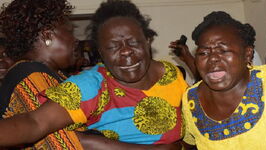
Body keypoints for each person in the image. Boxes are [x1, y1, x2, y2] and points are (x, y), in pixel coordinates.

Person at [0, 0, 187, 149]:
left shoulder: (171, 75)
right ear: (101, 53)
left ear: (147, 40)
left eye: (133, 42)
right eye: (113, 46)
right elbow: (37, 124)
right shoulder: (89, 85)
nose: (126, 52)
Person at [181, 11, 266, 150]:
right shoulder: (191, 98)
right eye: (203, 53)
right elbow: (189, 143)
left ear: (247, 54)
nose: (212, 58)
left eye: (223, 50)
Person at [0, 0, 83, 149]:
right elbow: (60, 140)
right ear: (47, 36)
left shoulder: (48, 74)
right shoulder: (32, 75)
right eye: (69, 32)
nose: (75, 39)